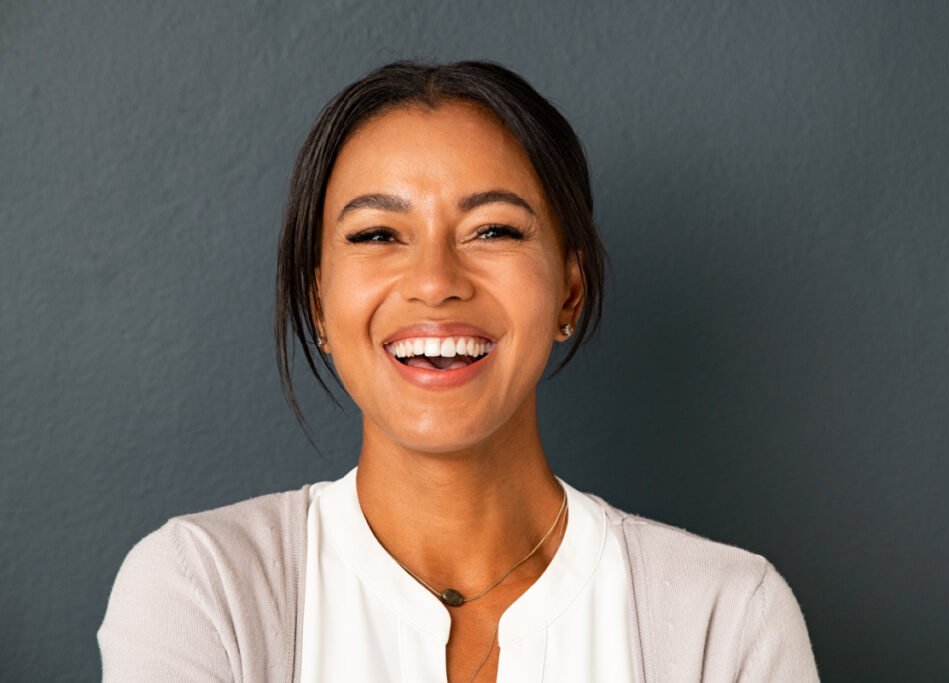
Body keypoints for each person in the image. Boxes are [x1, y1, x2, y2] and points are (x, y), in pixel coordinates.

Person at [97, 60, 819, 682]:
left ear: (570, 290)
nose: (436, 281)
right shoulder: (201, 589)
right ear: (318, 299)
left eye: (493, 230)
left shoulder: (725, 617)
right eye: (378, 234)